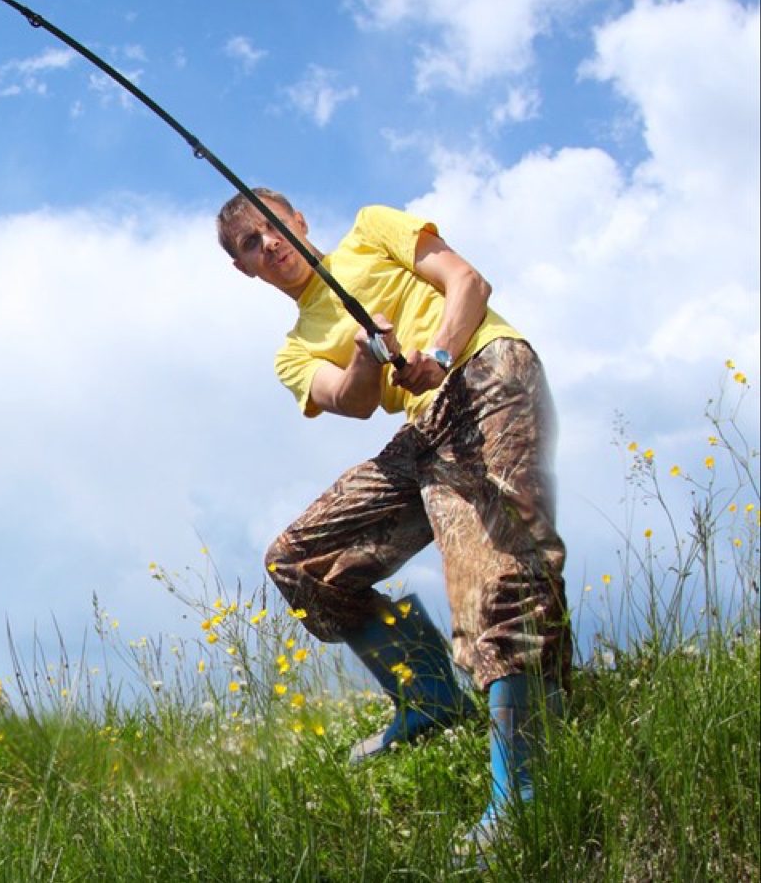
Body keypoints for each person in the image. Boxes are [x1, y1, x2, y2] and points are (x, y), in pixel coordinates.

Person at [216, 188, 571, 853]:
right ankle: (429, 696)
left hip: (482, 372)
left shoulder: (370, 231)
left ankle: (521, 795)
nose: (265, 244)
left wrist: (434, 353)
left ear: (297, 218)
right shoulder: (292, 350)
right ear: (245, 270)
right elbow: (348, 402)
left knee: (496, 572)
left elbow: (466, 281)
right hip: (422, 431)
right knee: (298, 562)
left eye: (269, 227)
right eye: (247, 245)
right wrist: (364, 354)